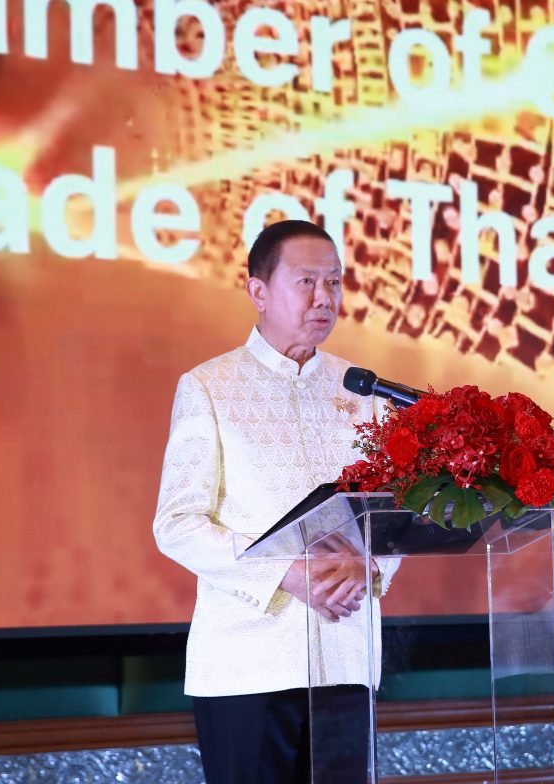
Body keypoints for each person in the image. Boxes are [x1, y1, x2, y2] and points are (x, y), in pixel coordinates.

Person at [152, 219, 396, 784]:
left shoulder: (363, 391)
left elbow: (391, 514)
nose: (325, 298)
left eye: (334, 282)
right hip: (249, 662)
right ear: (258, 292)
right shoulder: (210, 386)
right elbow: (177, 523)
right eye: (306, 281)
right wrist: (287, 574)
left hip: (346, 655)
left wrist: (370, 567)